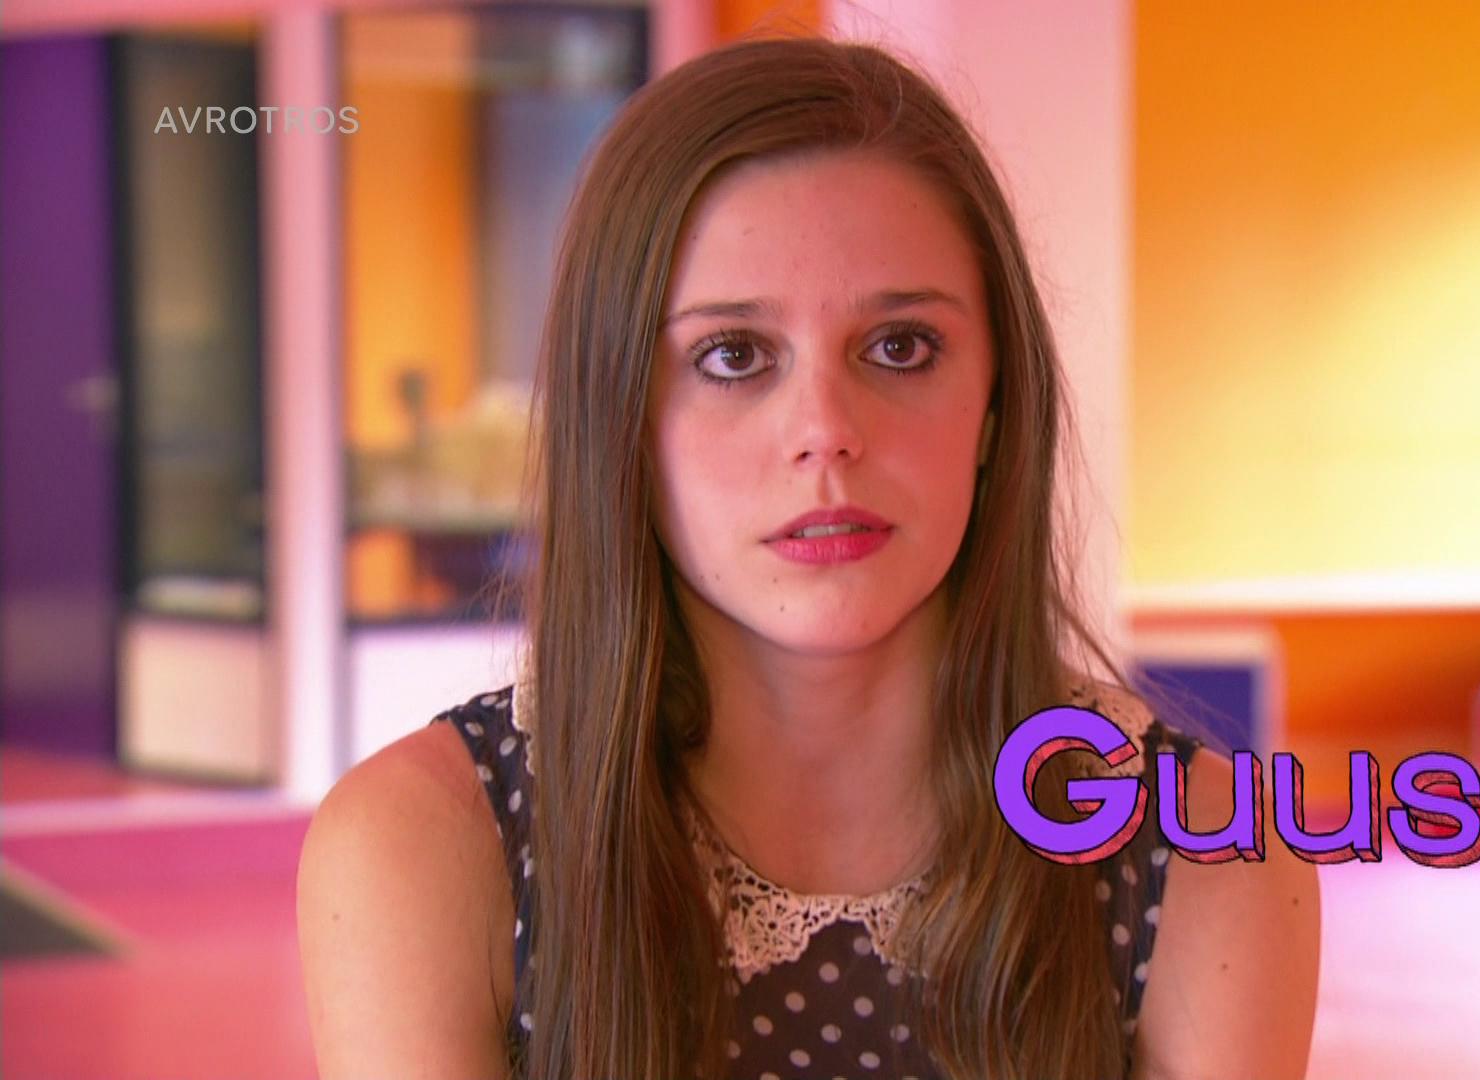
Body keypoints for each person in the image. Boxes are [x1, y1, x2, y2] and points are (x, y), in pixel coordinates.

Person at [297, 34, 1319, 1080]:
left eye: (901, 347)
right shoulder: (427, 844)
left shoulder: (1207, 858)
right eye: (733, 356)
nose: (826, 432)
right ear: (620, 417)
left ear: (995, 404)